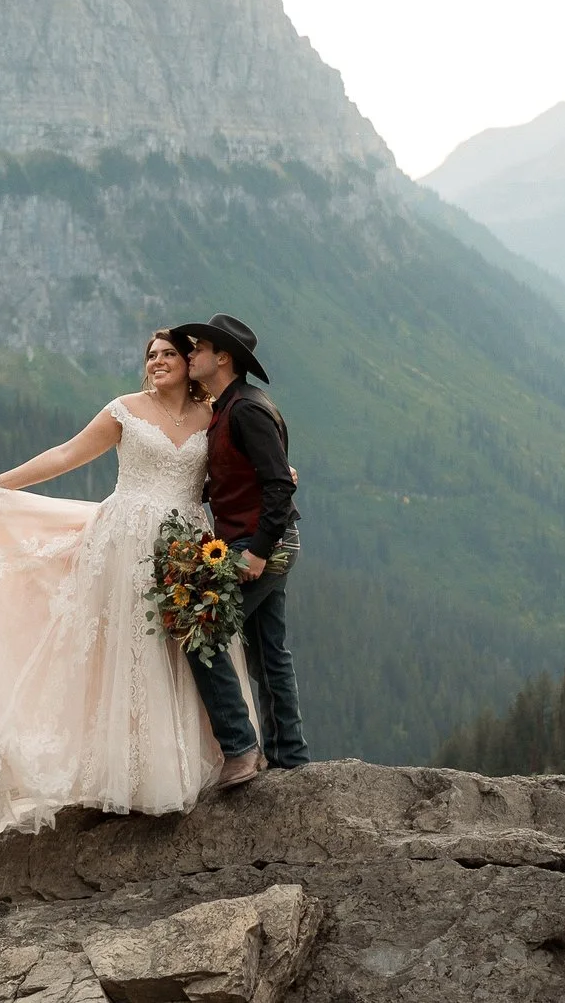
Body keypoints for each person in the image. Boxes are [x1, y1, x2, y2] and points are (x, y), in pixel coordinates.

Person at [0, 329, 227, 858]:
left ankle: (179, 768)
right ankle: (119, 776)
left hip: (188, 544)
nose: (157, 362)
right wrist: (2, 482)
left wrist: (277, 474)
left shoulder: (211, 415)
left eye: (169, 354)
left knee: (180, 651)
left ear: (191, 362)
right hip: (124, 543)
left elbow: (235, 467)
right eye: (150, 355)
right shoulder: (124, 410)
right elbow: (66, 454)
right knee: (122, 654)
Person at [171, 314, 307, 784]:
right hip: (261, 540)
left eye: (198, 348)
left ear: (222, 357)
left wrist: (257, 553)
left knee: (200, 632)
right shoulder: (235, 407)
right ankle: (290, 757)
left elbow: (277, 486)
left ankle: (241, 750)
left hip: (261, 543)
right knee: (269, 653)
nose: (190, 354)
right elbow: (245, 477)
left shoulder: (246, 409)